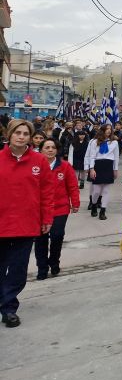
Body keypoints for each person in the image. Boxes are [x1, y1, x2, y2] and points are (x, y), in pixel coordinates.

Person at [0, 119, 54, 328]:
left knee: (18, 270)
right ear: (9, 135)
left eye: (25, 133)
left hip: (26, 224)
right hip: (2, 223)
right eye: (17, 133)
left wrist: (47, 218)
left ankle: (9, 308)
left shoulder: (39, 161)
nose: (21, 137)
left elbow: (46, 192)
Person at [34, 138, 79, 280]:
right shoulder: (35, 166)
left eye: (53, 147)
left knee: (57, 236)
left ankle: (54, 262)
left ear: (57, 150)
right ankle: (42, 267)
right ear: (40, 150)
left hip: (60, 208)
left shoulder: (65, 166)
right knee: (40, 240)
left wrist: (75, 202)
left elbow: (72, 185)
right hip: (39, 210)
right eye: (46, 147)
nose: (50, 150)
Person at [86, 124, 119, 220]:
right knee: (96, 191)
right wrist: (91, 169)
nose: (109, 131)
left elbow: (116, 157)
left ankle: (103, 211)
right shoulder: (94, 142)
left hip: (109, 166)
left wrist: (115, 169)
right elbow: (92, 156)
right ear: (102, 130)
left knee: (106, 191)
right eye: (107, 129)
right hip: (98, 166)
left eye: (110, 129)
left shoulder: (114, 143)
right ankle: (94, 205)